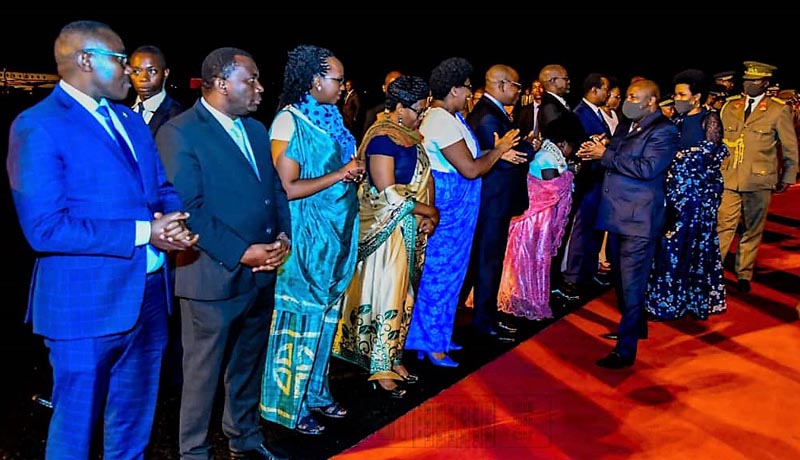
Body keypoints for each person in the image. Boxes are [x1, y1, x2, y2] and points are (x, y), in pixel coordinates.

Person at [6, 20, 198, 459]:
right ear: (86, 60)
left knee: (132, 425)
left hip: (148, 298)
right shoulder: (38, 126)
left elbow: (160, 187)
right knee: (75, 430)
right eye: (120, 61)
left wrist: (173, 221)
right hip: (84, 306)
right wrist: (145, 232)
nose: (129, 72)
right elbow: (45, 228)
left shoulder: (129, 120)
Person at [156, 47, 290, 460]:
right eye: (250, 79)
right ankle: (194, 451)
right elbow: (188, 209)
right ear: (219, 83)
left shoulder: (252, 129)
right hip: (211, 273)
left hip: (261, 269)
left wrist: (283, 238)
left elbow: (274, 190)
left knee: (247, 364)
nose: (259, 88)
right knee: (203, 373)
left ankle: (244, 437)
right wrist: (242, 252)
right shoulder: (179, 131)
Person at [260, 44, 362, 437]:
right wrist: (342, 174)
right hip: (305, 238)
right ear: (315, 80)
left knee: (325, 319)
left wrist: (348, 176)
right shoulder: (289, 122)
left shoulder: (331, 118)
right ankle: (285, 404)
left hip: (335, 236)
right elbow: (285, 187)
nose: (342, 85)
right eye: (337, 79)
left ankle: (315, 392)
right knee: (299, 320)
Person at [405, 57, 522, 367]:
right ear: (454, 89)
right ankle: (430, 343)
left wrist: (497, 153)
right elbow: (470, 169)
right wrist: (499, 150)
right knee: (439, 275)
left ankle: (435, 336)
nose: (471, 94)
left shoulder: (451, 117)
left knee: (451, 274)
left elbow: (470, 156)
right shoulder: (440, 119)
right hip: (450, 206)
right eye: (468, 88)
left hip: (460, 205)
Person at [333, 75, 437, 398]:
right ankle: (379, 366)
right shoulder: (381, 139)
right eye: (418, 109)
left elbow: (424, 178)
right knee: (389, 295)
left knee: (406, 295)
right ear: (400, 107)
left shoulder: (410, 136)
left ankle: (393, 356)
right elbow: (387, 193)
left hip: (409, 225)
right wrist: (429, 212)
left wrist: (427, 216)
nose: (422, 116)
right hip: (386, 229)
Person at [577, 79, 679, 368]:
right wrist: (596, 151)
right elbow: (616, 160)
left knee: (632, 284)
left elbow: (648, 168)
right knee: (621, 282)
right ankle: (636, 327)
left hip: (639, 220)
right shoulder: (626, 125)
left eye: (634, 97)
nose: (626, 101)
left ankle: (625, 350)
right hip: (618, 216)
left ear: (652, 101)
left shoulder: (664, 131)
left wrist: (605, 155)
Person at [461, 64, 538, 343]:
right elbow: (511, 157)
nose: (519, 92)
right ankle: (484, 321)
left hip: (494, 201)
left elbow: (513, 151)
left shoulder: (493, 113)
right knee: (487, 262)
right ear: (503, 85)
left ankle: (481, 316)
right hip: (492, 202)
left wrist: (520, 148)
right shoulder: (488, 117)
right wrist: (529, 147)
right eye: (517, 86)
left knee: (484, 261)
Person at [646, 69, 729, 320]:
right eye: (676, 94)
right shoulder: (677, 121)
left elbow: (710, 154)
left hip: (696, 199)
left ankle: (690, 299)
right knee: (668, 246)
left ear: (697, 97)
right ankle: (665, 299)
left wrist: (676, 158)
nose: (677, 98)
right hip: (671, 195)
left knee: (689, 246)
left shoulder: (710, 119)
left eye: (682, 94)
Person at [717, 61, 798, 294]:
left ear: (765, 83)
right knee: (723, 224)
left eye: (753, 82)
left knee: (752, 228)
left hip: (759, 179)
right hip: (729, 176)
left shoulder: (778, 109)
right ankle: (714, 270)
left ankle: (744, 272)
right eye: (746, 81)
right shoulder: (730, 106)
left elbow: (790, 147)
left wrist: (788, 175)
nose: (748, 85)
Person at [497, 117, 580, 320]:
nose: (572, 151)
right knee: (525, 262)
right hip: (532, 219)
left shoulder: (552, 155)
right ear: (562, 143)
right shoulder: (546, 158)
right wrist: (571, 173)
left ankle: (529, 298)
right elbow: (553, 188)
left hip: (540, 218)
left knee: (533, 262)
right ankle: (519, 299)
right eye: (571, 146)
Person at [129, 45, 184, 136]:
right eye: (136, 71)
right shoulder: (121, 111)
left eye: (152, 71)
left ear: (165, 73)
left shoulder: (178, 116)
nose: (143, 78)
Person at [362, 70, 403, 136]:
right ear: (384, 88)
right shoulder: (373, 114)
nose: (396, 90)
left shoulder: (412, 114)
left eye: (400, 85)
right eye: (392, 86)